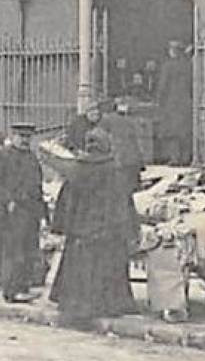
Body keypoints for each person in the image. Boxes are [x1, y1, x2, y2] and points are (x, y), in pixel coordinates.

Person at [49, 128, 138, 325]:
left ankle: (77, 304)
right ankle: (108, 304)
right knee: (107, 268)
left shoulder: (78, 169)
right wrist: (130, 230)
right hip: (108, 230)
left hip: (81, 230)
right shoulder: (115, 171)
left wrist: (63, 226)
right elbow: (123, 203)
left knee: (79, 268)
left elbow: (66, 201)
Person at [0, 123, 46, 303]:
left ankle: (24, 287)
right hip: (13, 210)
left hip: (31, 210)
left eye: (28, 137)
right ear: (13, 136)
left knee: (30, 250)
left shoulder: (32, 158)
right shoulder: (2, 156)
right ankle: (11, 290)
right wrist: (8, 200)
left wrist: (43, 212)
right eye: (21, 136)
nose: (24, 141)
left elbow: (37, 186)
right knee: (14, 251)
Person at [155, 40, 194, 164]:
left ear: (172, 51)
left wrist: (159, 100)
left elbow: (163, 86)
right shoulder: (189, 66)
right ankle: (186, 158)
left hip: (171, 102)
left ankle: (175, 158)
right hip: (187, 101)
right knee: (185, 132)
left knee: (172, 132)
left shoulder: (168, 66)